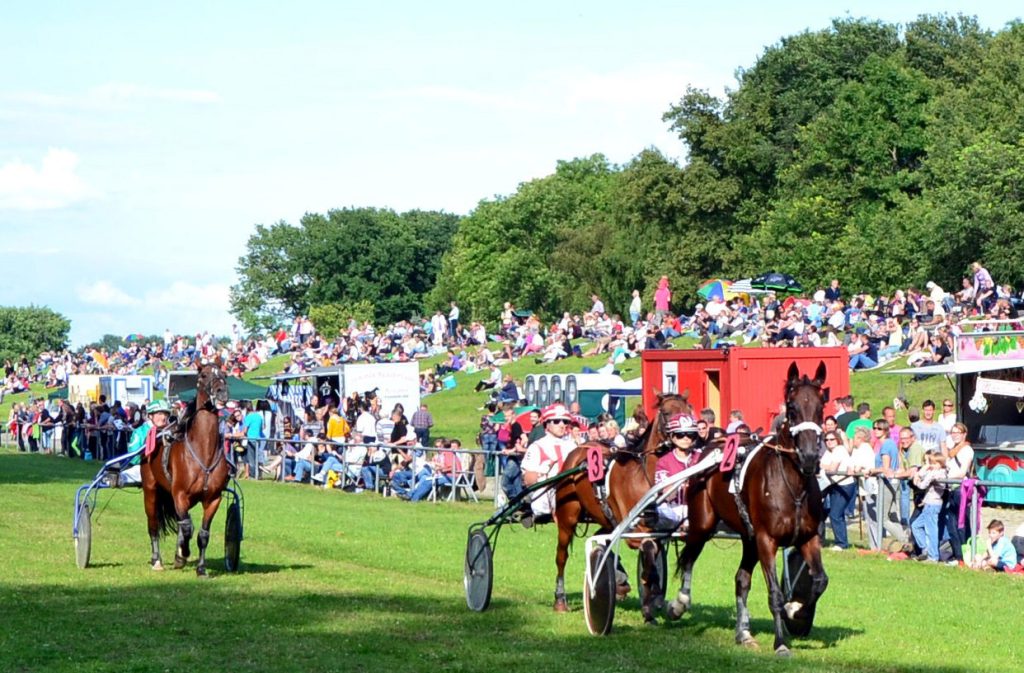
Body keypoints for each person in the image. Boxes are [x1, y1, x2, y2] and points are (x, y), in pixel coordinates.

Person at [519, 404, 577, 527]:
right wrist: (542, 472)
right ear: (547, 425)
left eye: (565, 421)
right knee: (542, 502)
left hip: (571, 488)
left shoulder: (572, 446)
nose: (562, 425)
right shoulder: (537, 446)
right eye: (556, 421)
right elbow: (528, 479)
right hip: (546, 491)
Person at [646, 413, 702, 530]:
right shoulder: (664, 462)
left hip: (698, 508)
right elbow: (668, 494)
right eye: (680, 434)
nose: (686, 438)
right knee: (659, 512)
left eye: (690, 434)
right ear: (672, 436)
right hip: (673, 509)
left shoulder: (701, 457)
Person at [943, 423, 974, 565]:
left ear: (964, 434)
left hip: (961, 490)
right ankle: (958, 555)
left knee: (961, 524)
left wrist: (947, 476)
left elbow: (962, 472)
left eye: (957, 432)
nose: (954, 434)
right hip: (951, 489)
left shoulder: (967, 450)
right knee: (951, 525)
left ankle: (965, 555)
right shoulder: (952, 451)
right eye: (952, 432)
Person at [820, 430, 856, 551]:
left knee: (836, 514)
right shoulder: (828, 452)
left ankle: (842, 543)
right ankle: (821, 541)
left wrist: (824, 467)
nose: (829, 442)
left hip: (845, 485)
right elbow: (821, 465)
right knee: (824, 513)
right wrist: (825, 466)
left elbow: (832, 468)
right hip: (832, 485)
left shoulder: (839, 450)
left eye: (832, 439)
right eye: (827, 440)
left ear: (837, 440)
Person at [910, 450, 947, 562]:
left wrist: (916, 481)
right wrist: (925, 468)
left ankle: (933, 556)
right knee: (916, 525)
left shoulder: (937, 473)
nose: (931, 465)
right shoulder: (935, 471)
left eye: (934, 463)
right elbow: (920, 475)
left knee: (931, 531)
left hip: (933, 504)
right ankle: (926, 549)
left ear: (940, 463)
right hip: (928, 503)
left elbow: (922, 485)